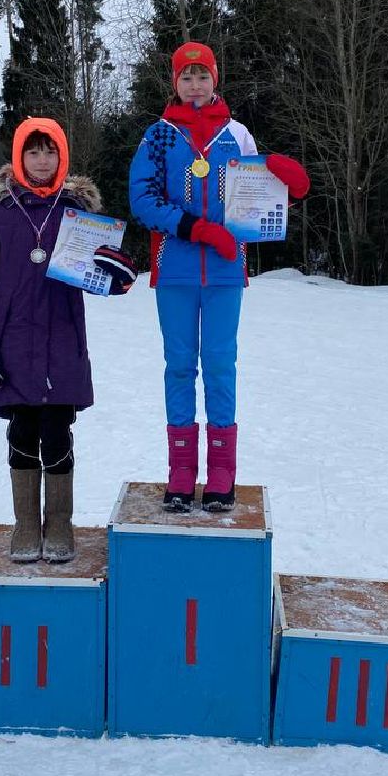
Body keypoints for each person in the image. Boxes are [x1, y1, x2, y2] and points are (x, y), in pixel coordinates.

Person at [128, 41, 310, 512]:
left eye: (202, 76)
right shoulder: (159, 135)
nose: (195, 85)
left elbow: (257, 196)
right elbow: (142, 200)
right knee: (179, 365)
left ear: (215, 79)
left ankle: (223, 471)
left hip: (227, 271)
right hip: (175, 269)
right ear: (175, 82)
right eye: (186, 77)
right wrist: (196, 228)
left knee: (220, 365)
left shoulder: (237, 134)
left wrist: (289, 193)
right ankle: (181, 470)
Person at [0, 116, 135, 562]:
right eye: (33, 151)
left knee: (57, 432)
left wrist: (119, 274)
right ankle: (25, 525)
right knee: (22, 431)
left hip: (62, 339)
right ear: (19, 156)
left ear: (63, 156)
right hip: (12, 340)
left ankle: (59, 524)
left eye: (50, 151)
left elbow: (100, 274)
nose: (42, 160)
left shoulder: (77, 212)